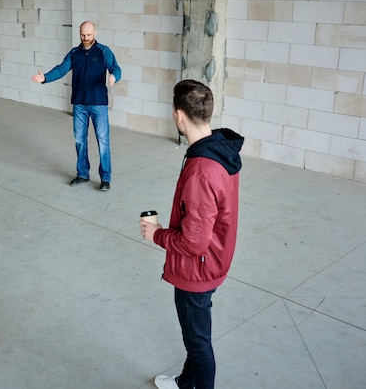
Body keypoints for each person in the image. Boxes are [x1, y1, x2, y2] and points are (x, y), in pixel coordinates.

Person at [139, 80, 244, 389]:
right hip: (213, 259)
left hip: (197, 269)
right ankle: (186, 382)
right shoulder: (218, 151)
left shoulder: (201, 170)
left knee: (198, 340)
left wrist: (156, 234)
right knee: (194, 333)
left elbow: (192, 241)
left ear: (179, 115)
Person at [31, 21, 121, 191]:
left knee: (103, 141)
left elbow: (116, 68)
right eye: (82, 35)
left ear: (95, 33)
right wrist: (45, 78)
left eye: (88, 35)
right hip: (79, 104)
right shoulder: (74, 53)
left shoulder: (103, 51)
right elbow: (61, 69)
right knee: (80, 140)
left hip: (98, 104)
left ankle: (105, 178)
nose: (85, 38)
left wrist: (114, 77)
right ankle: (82, 173)